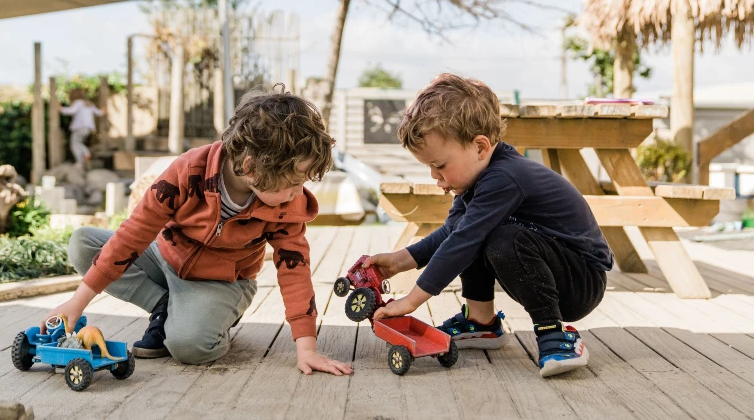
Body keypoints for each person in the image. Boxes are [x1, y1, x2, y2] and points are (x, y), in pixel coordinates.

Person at [40, 88, 352, 376]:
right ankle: (166, 305)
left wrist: (307, 349)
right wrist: (77, 303)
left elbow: (294, 269)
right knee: (83, 243)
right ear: (252, 167)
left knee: (191, 347)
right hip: (165, 257)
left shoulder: (287, 206)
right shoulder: (189, 170)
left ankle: (203, 313)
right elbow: (134, 233)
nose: (299, 193)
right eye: (294, 182)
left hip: (222, 280)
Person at [363, 73, 612, 377]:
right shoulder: (477, 181)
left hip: (580, 280)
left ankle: (555, 336)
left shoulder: (505, 177)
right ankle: (482, 322)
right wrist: (399, 262)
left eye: (439, 165)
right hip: (551, 268)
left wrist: (412, 300)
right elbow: (453, 233)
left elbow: (463, 240)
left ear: (480, 147)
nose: (434, 176)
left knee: (496, 238)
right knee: (474, 233)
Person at [60, 88, 104, 168]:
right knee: (78, 143)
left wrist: (61, 109)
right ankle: (83, 157)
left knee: (74, 144)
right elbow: (98, 112)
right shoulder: (89, 104)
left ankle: (81, 159)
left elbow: (71, 111)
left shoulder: (78, 103)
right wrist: (103, 111)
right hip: (88, 129)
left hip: (79, 127)